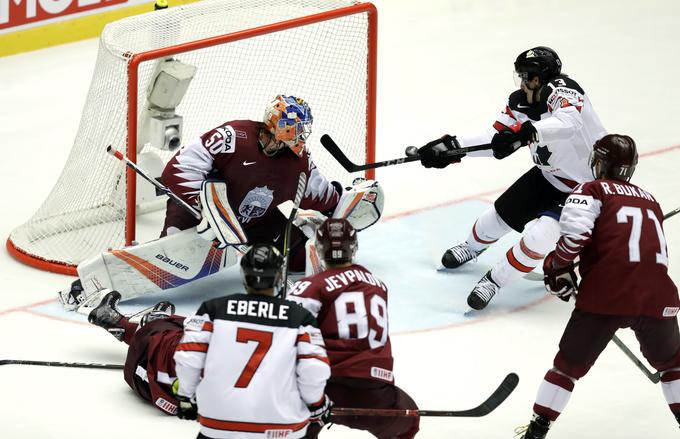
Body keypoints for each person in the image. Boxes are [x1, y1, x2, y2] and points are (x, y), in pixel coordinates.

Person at [417, 46, 607, 310]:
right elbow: (493, 139)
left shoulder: (563, 89)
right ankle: (472, 247)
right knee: (494, 219)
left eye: (525, 76)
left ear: (537, 78)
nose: (521, 82)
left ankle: (494, 281)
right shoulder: (519, 102)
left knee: (540, 237)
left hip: (585, 190)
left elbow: (568, 122)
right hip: (547, 177)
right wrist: (452, 148)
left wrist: (527, 132)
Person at [517, 134, 680, 438]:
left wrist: (558, 265)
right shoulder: (650, 199)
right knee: (673, 366)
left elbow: (575, 238)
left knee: (566, 369)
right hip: (660, 296)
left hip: (608, 295)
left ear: (601, 162)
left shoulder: (592, 189)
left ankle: (537, 429)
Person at [160, 94, 340, 271]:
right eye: (298, 127)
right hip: (207, 217)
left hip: (255, 225)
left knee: (300, 255)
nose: (302, 133)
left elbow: (320, 192)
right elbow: (182, 165)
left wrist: (343, 198)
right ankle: (163, 256)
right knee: (176, 239)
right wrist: (203, 210)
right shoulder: (232, 136)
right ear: (282, 125)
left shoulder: (300, 160)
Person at [173, 244, 332, 439]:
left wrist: (185, 396)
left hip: (219, 425)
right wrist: (317, 403)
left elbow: (188, 356)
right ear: (279, 276)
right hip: (281, 429)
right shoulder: (300, 318)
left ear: (244, 274)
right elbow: (313, 369)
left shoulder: (213, 309)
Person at [288, 218, 420, 438]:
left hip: (322, 389)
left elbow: (286, 337)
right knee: (409, 422)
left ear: (319, 250)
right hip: (374, 391)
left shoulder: (310, 287)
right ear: (354, 248)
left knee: (294, 428)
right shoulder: (378, 284)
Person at [88, 290, 183, 415]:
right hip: (153, 390)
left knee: (170, 335)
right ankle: (122, 326)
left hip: (142, 376)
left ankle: (117, 322)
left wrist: (159, 323)